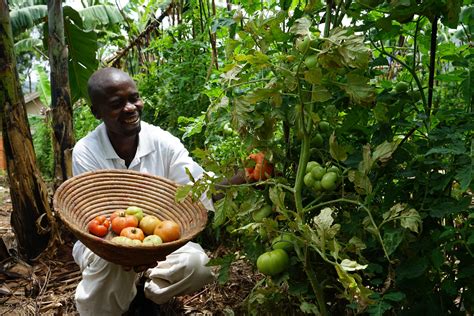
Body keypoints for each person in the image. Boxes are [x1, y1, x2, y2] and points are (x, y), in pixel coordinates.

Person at [71, 67, 215, 315]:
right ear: (97, 112)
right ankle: (117, 303)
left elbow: (196, 188)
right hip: (105, 244)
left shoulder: (163, 143)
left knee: (198, 265)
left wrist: (243, 178)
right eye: (117, 103)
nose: (130, 108)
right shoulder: (87, 151)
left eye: (134, 98)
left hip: (157, 241)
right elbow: (94, 219)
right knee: (100, 301)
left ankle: (149, 299)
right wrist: (129, 252)